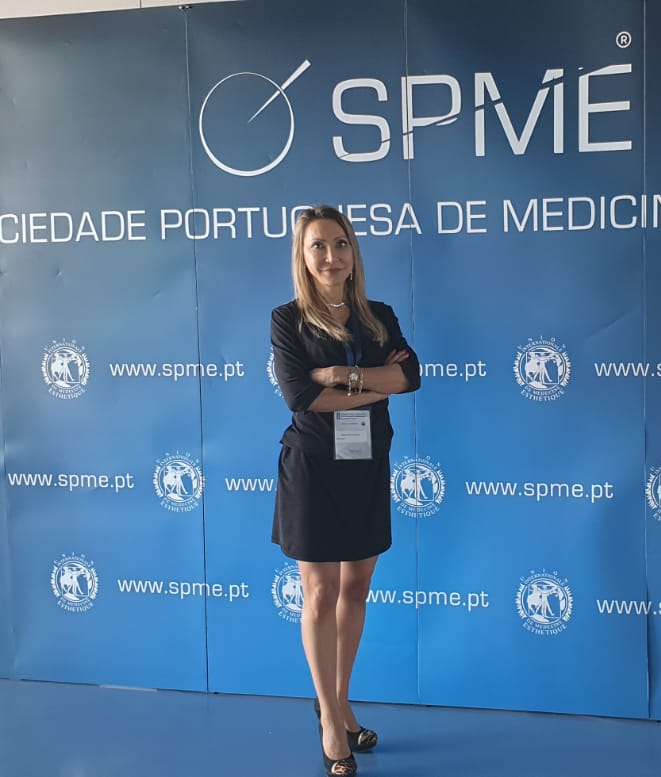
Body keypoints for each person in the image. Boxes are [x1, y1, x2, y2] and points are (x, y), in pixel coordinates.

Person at [269, 205, 420, 777]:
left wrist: (340, 376)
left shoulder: (378, 317)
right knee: (319, 593)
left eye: (340, 244)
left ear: (353, 253)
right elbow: (300, 398)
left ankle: (338, 699)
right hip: (312, 469)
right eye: (318, 246)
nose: (330, 256)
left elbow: (410, 376)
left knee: (355, 589)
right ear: (303, 256)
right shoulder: (287, 320)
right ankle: (333, 722)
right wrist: (375, 385)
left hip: (365, 465)